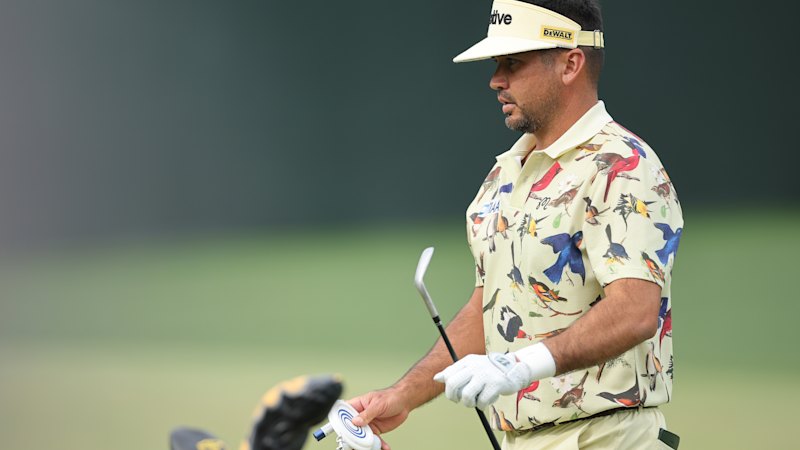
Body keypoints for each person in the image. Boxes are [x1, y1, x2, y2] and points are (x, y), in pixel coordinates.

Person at [349, 0, 683, 449]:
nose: (495, 80)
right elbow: (490, 310)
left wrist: (518, 366)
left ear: (570, 64)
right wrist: (402, 396)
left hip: (606, 437)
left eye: (514, 63)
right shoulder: (505, 174)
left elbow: (634, 310)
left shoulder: (622, 165)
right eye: (496, 64)